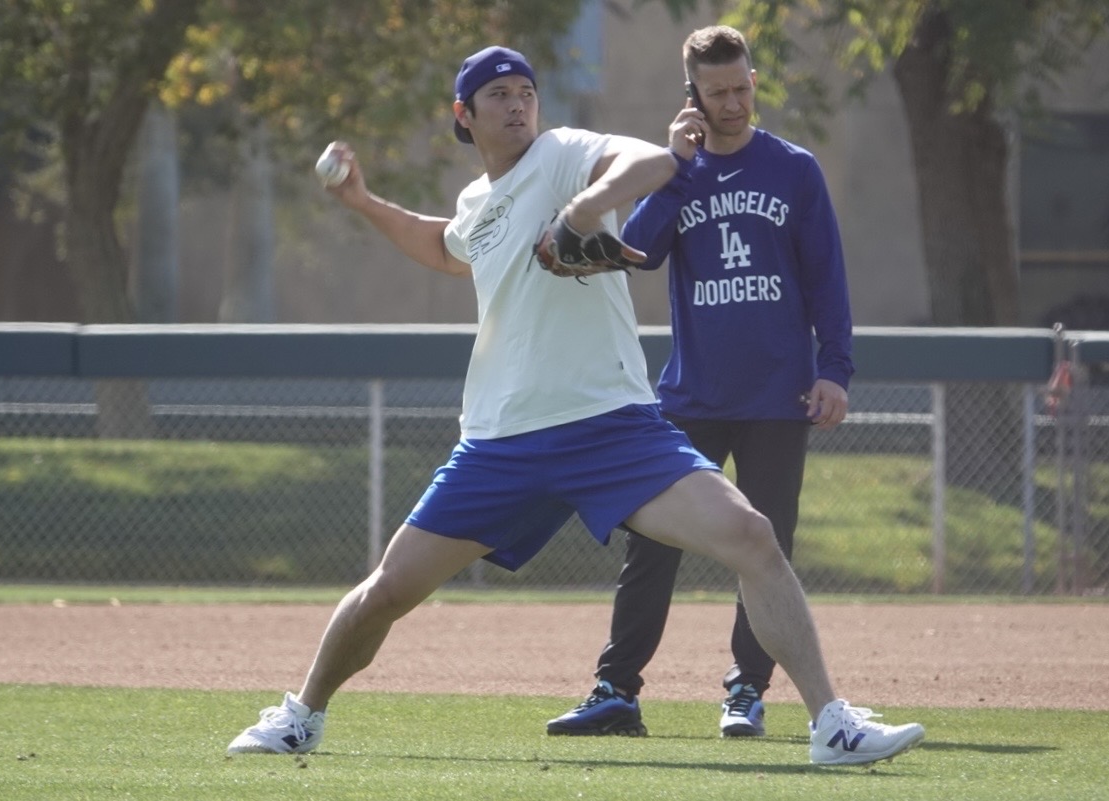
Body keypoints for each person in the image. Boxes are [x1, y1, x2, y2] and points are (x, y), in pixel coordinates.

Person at [225, 44, 923, 766]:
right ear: (463, 115)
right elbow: (442, 245)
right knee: (386, 591)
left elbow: (653, 164)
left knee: (751, 534)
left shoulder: (563, 151)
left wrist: (586, 206)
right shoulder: (478, 204)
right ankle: (300, 715)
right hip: (500, 441)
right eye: (496, 94)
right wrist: (363, 202)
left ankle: (830, 724)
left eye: (524, 89)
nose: (516, 102)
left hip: (611, 429)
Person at [546, 25, 854, 741]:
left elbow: (827, 280)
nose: (734, 102)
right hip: (689, 399)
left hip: (779, 397)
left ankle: (746, 690)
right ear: (692, 94)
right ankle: (615, 691)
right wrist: (676, 165)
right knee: (650, 547)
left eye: (742, 87)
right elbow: (640, 251)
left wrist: (833, 369)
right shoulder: (674, 171)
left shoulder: (793, 169)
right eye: (717, 92)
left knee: (764, 546)